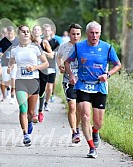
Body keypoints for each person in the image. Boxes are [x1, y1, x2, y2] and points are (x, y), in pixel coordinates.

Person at [65, 21, 121, 158]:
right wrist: (71, 75)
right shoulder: (79, 47)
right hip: (83, 85)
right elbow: (67, 61)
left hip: (99, 86)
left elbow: (117, 64)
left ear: (100, 34)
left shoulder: (107, 47)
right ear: (87, 33)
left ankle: (95, 131)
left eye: (97, 33)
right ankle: (91, 147)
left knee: (98, 122)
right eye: (91, 33)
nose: (94, 36)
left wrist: (107, 75)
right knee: (84, 115)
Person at [8, 25, 48, 146]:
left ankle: (29, 122)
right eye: (23, 32)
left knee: (31, 112)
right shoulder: (14, 50)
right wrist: (9, 68)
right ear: (18, 34)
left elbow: (45, 63)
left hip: (33, 81)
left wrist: (35, 67)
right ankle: (25, 134)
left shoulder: (35, 48)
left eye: (27, 32)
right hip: (20, 81)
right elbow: (11, 62)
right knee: (23, 108)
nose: (25, 33)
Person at [57, 23, 82, 143]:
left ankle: (77, 127)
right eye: (73, 34)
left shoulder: (84, 47)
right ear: (69, 34)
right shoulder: (64, 46)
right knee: (72, 106)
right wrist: (60, 66)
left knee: (79, 109)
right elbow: (58, 57)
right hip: (68, 80)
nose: (75, 36)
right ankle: (74, 132)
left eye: (78, 34)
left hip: (82, 81)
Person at [31, 25, 54, 123]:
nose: (36, 31)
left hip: (43, 69)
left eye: (38, 30)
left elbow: (52, 55)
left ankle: (40, 110)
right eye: (34, 30)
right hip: (33, 70)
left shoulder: (44, 42)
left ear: (41, 33)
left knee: (41, 91)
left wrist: (42, 53)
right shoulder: (30, 43)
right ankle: (34, 113)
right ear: (32, 32)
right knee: (34, 91)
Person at [0, 26, 19, 103]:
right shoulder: (3, 41)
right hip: (5, 63)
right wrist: (0, 53)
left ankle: (12, 95)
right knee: (6, 80)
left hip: (15, 63)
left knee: (13, 78)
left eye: (11, 33)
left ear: (14, 33)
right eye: (9, 34)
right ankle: (8, 89)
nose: (10, 35)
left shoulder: (17, 41)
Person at [42, 24, 61, 111]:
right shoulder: (40, 41)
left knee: (49, 88)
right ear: (43, 31)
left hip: (52, 66)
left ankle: (46, 103)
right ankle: (40, 103)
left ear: (51, 31)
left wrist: (43, 53)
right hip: (42, 67)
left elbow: (54, 54)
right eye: (45, 30)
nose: (47, 32)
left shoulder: (55, 42)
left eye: (48, 30)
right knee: (42, 87)